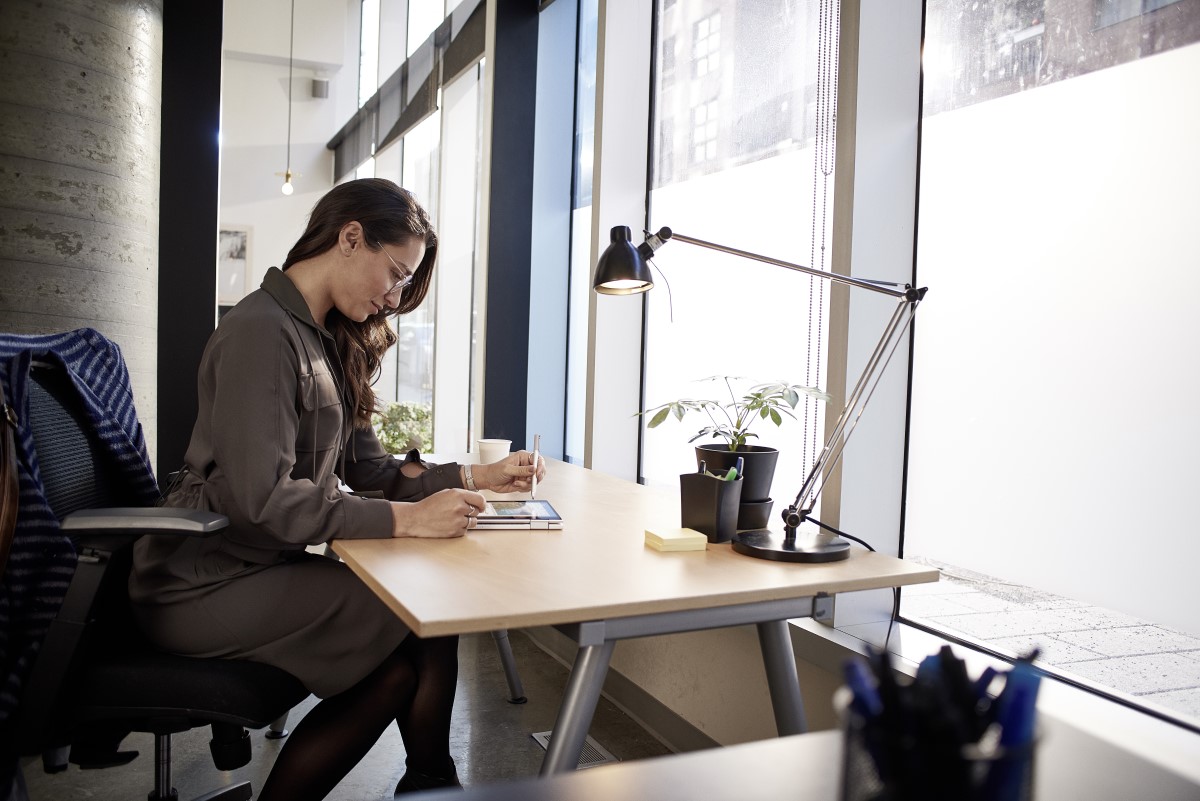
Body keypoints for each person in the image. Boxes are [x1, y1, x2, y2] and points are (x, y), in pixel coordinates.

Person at [129, 178, 544, 800]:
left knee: (413, 642)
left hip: (252, 564)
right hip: (201, 580)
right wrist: (406, 522)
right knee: (415, 617)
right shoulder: (261, 333)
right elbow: (261, 501)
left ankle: (431, 780)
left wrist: (473, 478)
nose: (396, 297)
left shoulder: (323, 339)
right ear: (351, 237)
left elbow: (372, 473)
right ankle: (432, 781)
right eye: (397, 274)